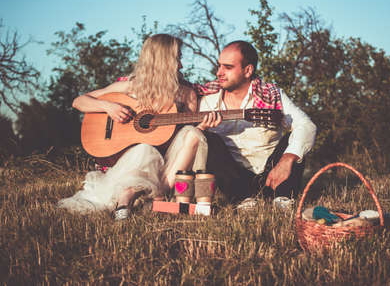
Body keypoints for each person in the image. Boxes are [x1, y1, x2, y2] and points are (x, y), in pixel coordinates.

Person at [57, 34, 219, 220]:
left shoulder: (186, 94)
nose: (181, 65)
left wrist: (203, 127)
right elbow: (79, 101)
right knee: (144, 149)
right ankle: (130, 195)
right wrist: (108, 106)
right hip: (132, 162)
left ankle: (156, 195)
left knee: (194, 133)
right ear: (162, 61)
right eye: (177, 58)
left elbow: (185, 139)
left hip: (166, 165)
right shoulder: (129, 87)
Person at [193, 40, 317, 209]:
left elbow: (307, 125)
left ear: (248, 70)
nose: (219, 73)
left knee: (296, 138)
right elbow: (190, 140)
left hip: (272, 173)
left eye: (228, 67)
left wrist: (287, 159)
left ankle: (282, 199)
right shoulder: (207, 101)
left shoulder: (272, 95)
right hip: (235, 179)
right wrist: (202, 128)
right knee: (207, 139)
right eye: (219, 66)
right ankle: (243, 201)